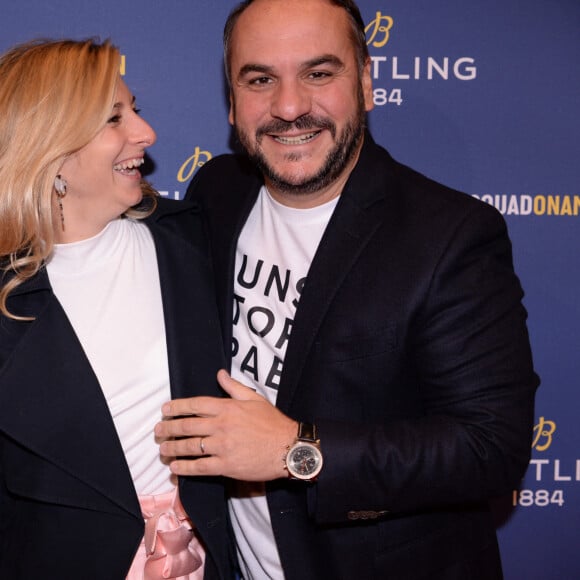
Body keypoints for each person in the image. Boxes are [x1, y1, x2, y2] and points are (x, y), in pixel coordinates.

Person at [155, 1, 539, 578]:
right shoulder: (216, 191)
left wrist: (296, 450)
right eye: (260, 79)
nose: (289, 107)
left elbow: (490, 448)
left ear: (364, 83)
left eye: (319, 73)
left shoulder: (450, 236)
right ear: (232, 102)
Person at [0, 39, 233, 579]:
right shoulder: (10, 305)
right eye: (113, 118)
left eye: (136, 109)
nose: (146, 135)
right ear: (49, 151)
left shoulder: (196, 236)